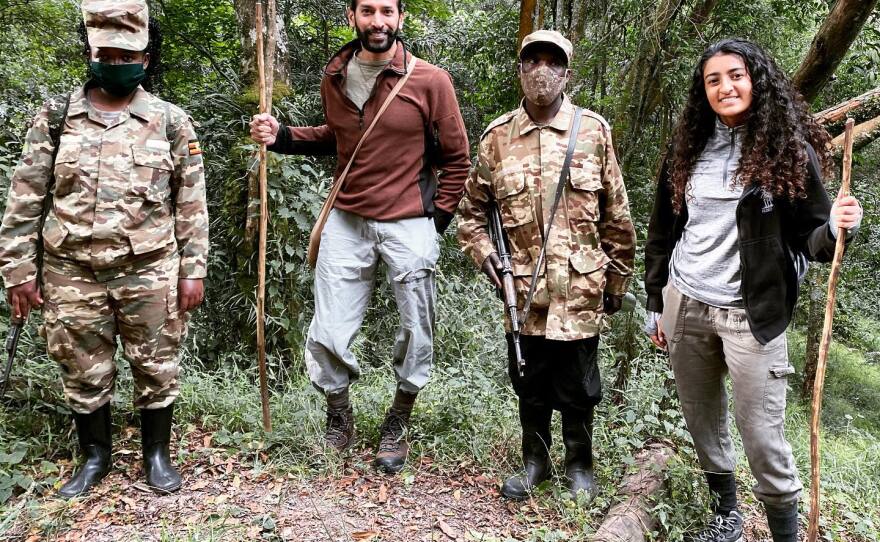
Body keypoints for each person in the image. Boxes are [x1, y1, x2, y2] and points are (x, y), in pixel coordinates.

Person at [644, 38, 862, 541]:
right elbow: (663, 231)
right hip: (687, 302)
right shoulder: (687, 151)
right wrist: (657, 301)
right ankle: (727, 516)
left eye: (735, 75)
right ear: (703, 91)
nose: (726, 86)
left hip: (753, 314)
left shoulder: (787, 152)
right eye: (713, 79)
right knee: (701, 421)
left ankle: (785, 531)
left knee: (762, 434)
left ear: (756, 80)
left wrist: (834, 225)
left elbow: (815, 242)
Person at [249, 0, 470, 473]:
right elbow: (340, 137)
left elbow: (457, 160)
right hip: (346, 218)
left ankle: (399, 419)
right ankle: (339, 415)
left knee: (416, 327)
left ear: (400, 18)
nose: (378, 21)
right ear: (353, 16)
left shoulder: (430, 80)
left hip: (409, 221)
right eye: (367, 10)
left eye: (386, 11)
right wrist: (282, 135)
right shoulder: (336, 74)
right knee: (328, 328)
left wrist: (436, 224)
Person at [0, 0, 209, 497]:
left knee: (156, 363)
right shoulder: (56, 117)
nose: (116, 65)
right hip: (70, 269)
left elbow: (192, 202)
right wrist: (18, 271)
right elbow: (25, 197)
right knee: (80, 364)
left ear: (146, 57)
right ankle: (95, 457)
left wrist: (193, 269)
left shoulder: (170, 121)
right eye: (106, 55)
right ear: (90, 53)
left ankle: (156, 455)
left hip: (151, 267)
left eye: (126, 56)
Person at [457, 30, 636, 502]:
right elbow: (471, 215)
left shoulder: (593, 130)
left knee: (578, 384)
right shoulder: (497, 138)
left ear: (567, 74)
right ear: (519, 70)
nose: (542, 71)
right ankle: (535, 461)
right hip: (524, 292)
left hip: (579, 288)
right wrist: (486, 258)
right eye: (532, 61)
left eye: (552, 63)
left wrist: (616, 280)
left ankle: (580, 464)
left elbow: (616, 214)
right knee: (529, 381)